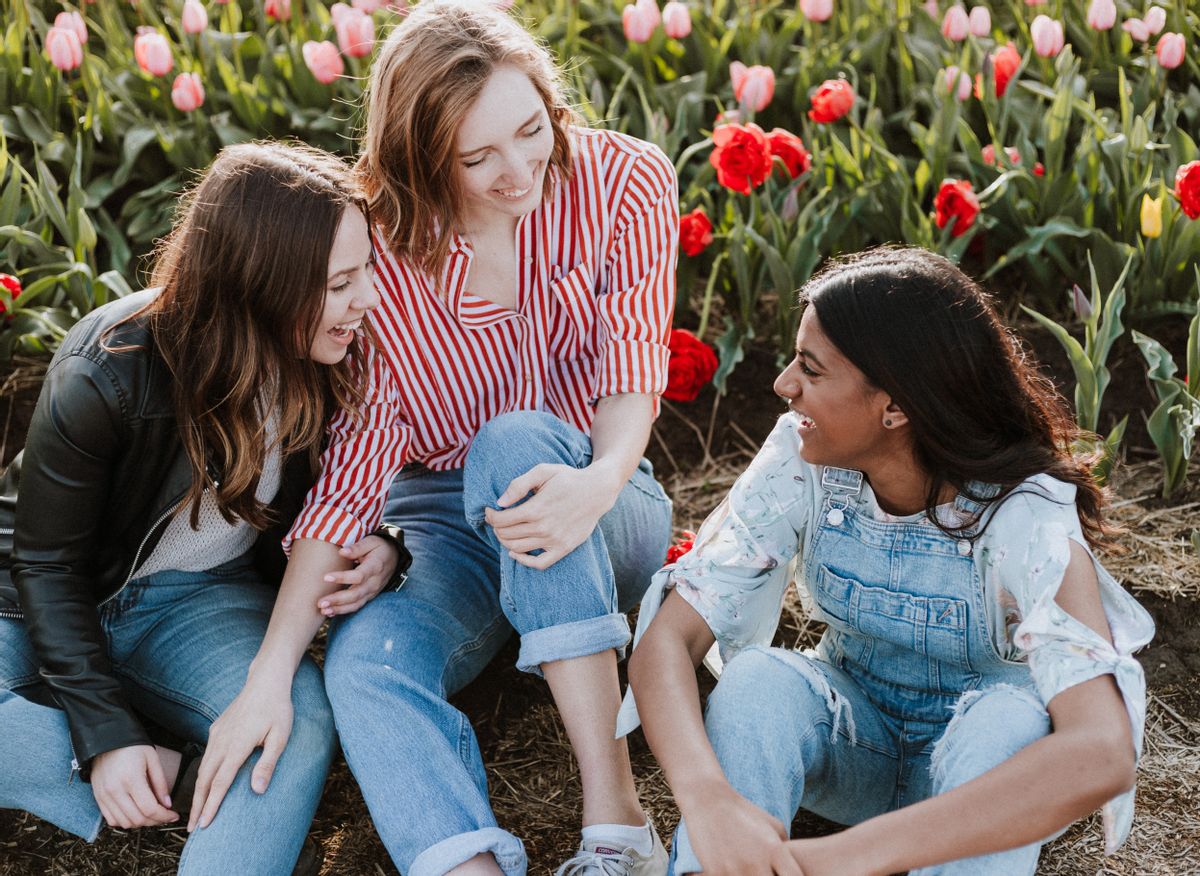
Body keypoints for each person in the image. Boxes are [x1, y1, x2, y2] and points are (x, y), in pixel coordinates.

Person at [622, 246, 1155, 875]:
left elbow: (1100, 750)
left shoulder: (1026, 516)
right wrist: (708, 800)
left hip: (981, 790)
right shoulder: (802, 457)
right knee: (758, 681)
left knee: (1009, 719)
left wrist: (841, 860)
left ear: (896, 407)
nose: (783, 384)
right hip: (856, 744)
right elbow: (665, 643)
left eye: (812, 371)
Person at [311, 1, 678, 873]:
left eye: (530, 132)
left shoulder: (625, 181)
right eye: (477, 159)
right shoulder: (379, 239)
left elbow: (632, 383)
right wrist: (378, 538)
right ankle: (465, 864)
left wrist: (593, 484)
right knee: (367, 665)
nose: (518, 171)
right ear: (419, 158)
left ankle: (617, 823)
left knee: (515, 446)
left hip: (604, 490)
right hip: (446, 522)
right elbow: (366, 436)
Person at [0, 141, 407, 875]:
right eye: (341, 282)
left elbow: (350, 488)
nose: (368, 300)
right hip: (39, 605)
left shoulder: (336, 357)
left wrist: (384, 541)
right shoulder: (106, 372)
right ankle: (171, 772)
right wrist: (105, 736)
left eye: (365, 271)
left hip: (196, 604)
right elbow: (47, 566)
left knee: (294, 723)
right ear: (262, 286)